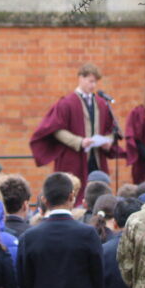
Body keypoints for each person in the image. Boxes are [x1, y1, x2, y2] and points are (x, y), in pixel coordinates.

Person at [30, 63, 119, 200]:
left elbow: (111, 129)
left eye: (95, 82)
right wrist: (79, 141)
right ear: (80, 79)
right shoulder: (66, 103)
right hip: (74, 156)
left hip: (96, 157)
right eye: (90, 81)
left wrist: (108, 141)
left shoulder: (101, 103)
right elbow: (56, 129)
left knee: (98, 193)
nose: (93, 85)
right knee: (73, 192)